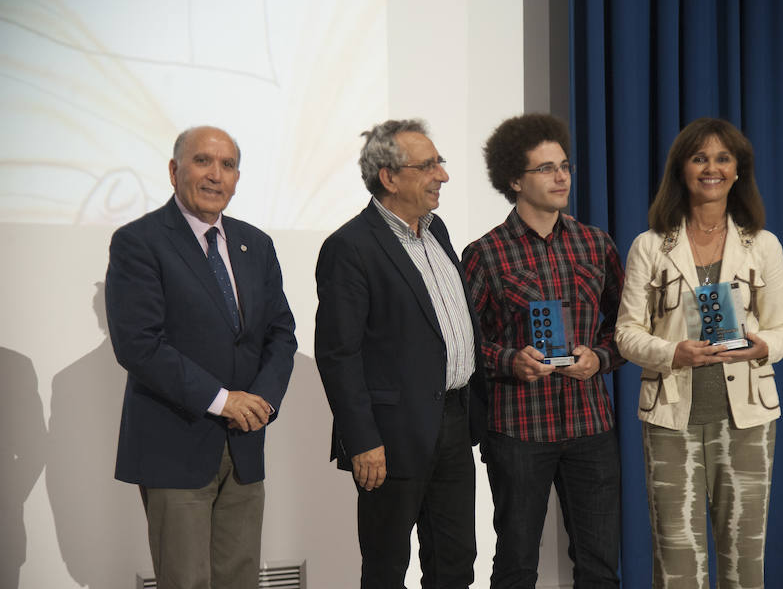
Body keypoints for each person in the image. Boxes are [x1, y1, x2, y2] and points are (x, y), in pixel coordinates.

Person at [105, 126, 297, 589]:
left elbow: (281, 333)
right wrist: (221, 400)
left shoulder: (257, 244)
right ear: (174, 171)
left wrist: (261, 401)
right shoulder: (139, 242)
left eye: (228, 165)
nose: (216, 175)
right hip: (175, 445)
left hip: (245, 445)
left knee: (239, 581)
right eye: (202, 161)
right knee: (186, 582)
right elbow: (139, 344)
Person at [615, 117, 783, 589]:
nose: (711, 168)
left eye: (722, 159)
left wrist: (764, 346)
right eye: (699, 158)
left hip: (749, 420)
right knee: (677, 557)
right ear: (681, 169)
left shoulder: (763, 244)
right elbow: (626, 333)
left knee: (745, 556)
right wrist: (673, 351)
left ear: (738, 171)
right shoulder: (650, 246)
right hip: (670, 418)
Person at [314, 119, 487, 589]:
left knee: (455, 562)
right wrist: (362, 440)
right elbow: (338, 354)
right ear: (389, 177)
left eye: (440, 163)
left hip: (453, 421)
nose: (443, 176)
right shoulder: (349, 247)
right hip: (389, 437)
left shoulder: (438, 231)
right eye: (428, 165)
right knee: (388, 566)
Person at [461, 113, 625, 588]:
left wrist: (601, 357)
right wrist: (511, 360)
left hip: (590, 425)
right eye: (546, 168)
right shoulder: (486, 253)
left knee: (599, 566)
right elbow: (463, 342)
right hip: (518, 430)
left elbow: (629, 327)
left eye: (565, 166)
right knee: (516, 564)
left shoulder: (596, 244)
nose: (561, 177)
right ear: (514, 179)